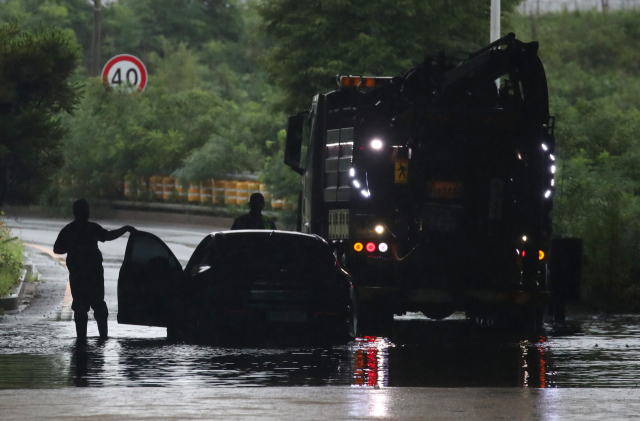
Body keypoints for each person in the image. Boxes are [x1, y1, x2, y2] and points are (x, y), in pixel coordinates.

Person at [53, 199, 136, 340]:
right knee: (98, 305)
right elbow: (108, 236)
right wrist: (125, 229)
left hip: (78, 275)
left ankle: (82, 339)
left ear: (74, 212)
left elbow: (57, 249)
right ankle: (103, 337)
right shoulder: (92, 228)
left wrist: (73, 248)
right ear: (86, 212)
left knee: (81, 306)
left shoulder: (68, 230)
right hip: (93, 275)